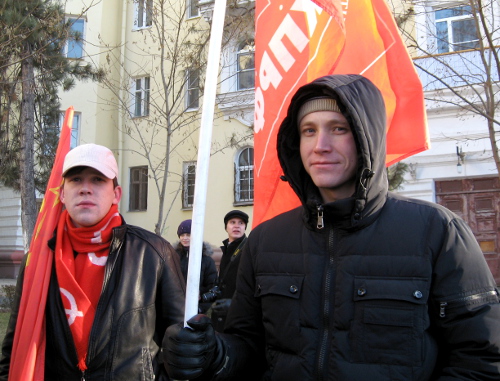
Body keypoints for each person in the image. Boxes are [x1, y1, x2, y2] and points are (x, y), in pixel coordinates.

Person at [162, 74, 500, 380]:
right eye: (309, 130)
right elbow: (248, 346)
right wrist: (214, 354)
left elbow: (481, 360)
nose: (321, 145)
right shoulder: (267, 239)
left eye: (338, 128)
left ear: (367, 138)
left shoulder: (437, 231)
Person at [0, 143, 185, 380]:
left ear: (116, 193)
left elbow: (181, 342)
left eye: (98, 180)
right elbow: (15, 346)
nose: (85, 189)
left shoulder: (153, 253)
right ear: (62, 194)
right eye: (76, 179)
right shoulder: (38, 261)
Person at [203, 210, 249, 332]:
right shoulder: (226, 249)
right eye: (232, 222)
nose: (236, 226)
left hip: (239, 313)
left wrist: (234, 304)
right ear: (226, 227)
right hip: (222, 311)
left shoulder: (249, 249)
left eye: (241, 223)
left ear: (245, 227)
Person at [175, 219, 217, 313]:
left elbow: (211, 284)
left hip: (197, 306)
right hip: (176, 304)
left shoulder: (206, 260)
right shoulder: (174, 257)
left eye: (188, 235)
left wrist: (199, 293)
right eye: (182, 235)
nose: (185, 238)